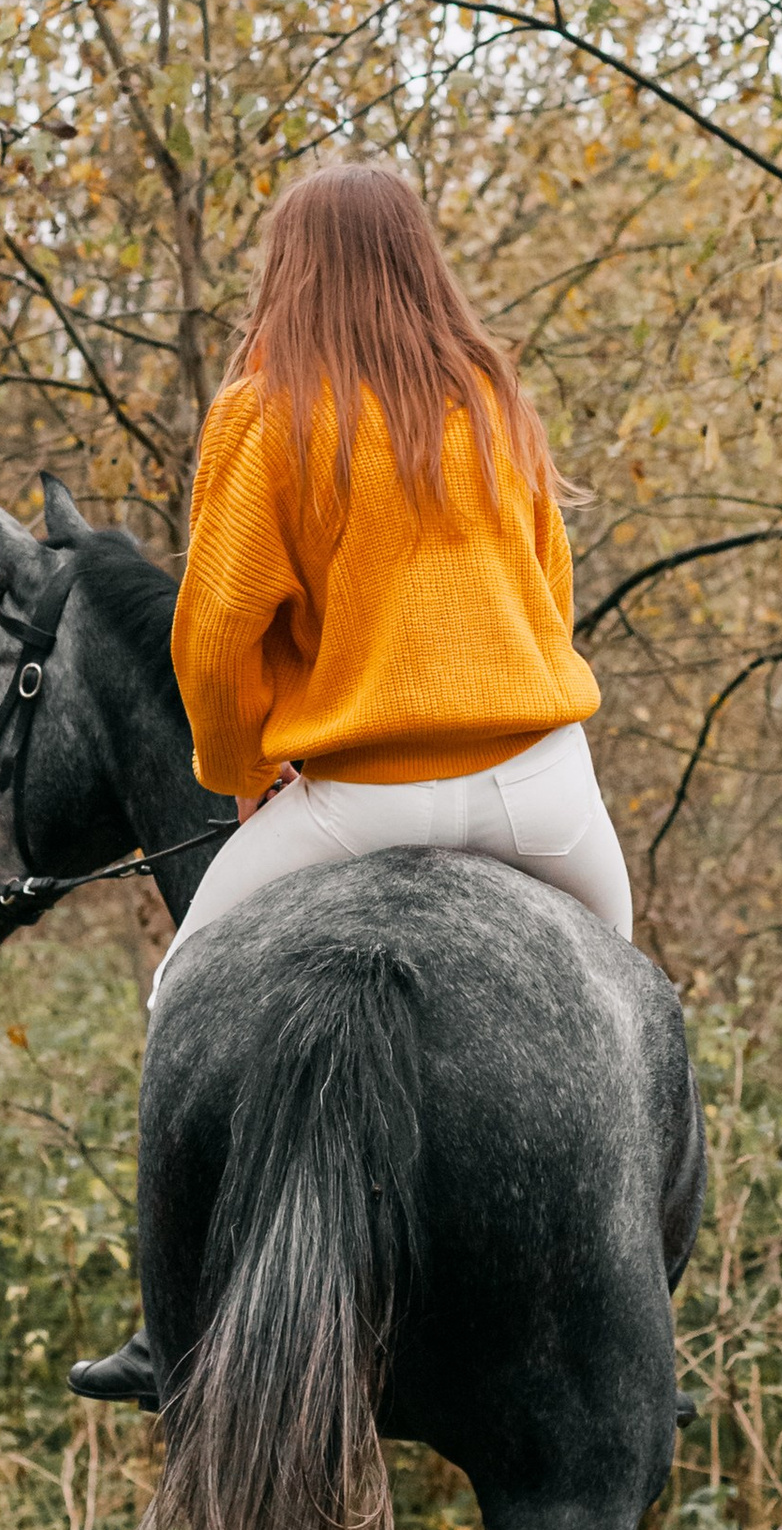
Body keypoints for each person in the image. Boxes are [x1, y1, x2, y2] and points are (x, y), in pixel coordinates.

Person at [72, 163, 631, 1403]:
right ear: (418, 255)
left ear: (291, 264)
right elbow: (551, 588)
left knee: (184, 996)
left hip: (357, 798)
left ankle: (171, 1332)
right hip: (541, 790)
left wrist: (244, 773)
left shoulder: (268, 410)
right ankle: (626, 1317)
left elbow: (213, 635)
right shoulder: (489, 396)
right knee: (627, 1013)